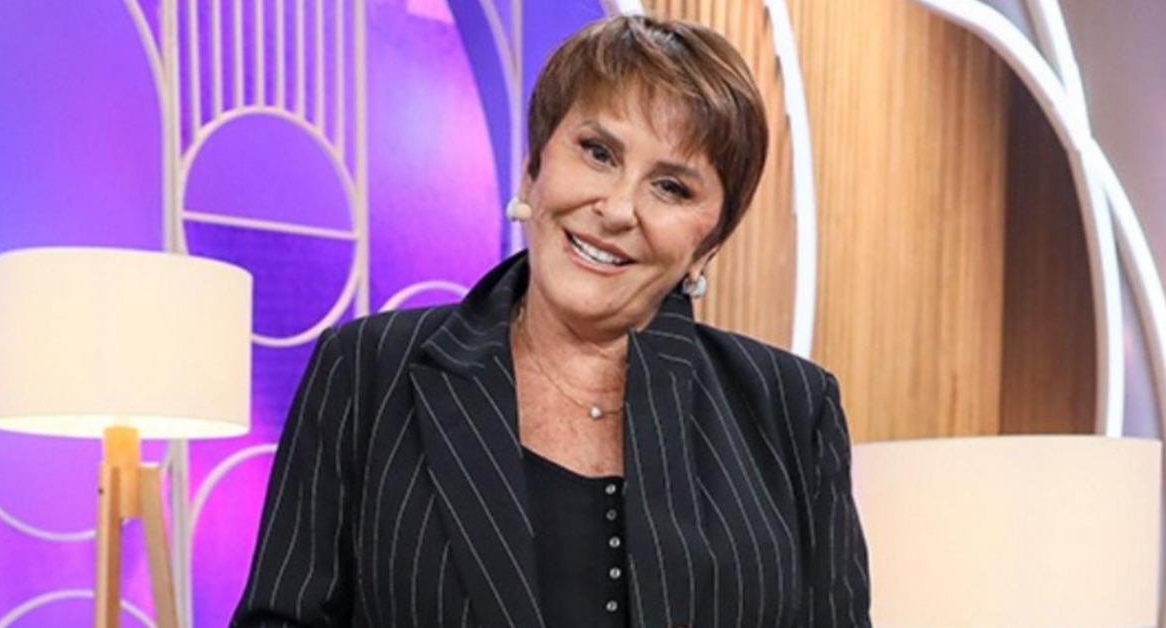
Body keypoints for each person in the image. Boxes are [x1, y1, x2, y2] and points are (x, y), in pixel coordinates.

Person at [232, 14, 870, 628]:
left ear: (709, 244)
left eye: (671, 187)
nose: (617, 209)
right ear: (534, 168)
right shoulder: (368, 370)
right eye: (598, 152)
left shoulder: (791, 408)